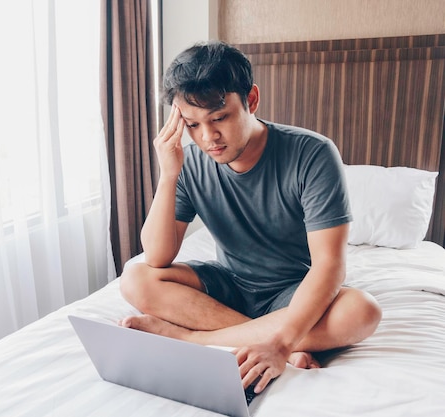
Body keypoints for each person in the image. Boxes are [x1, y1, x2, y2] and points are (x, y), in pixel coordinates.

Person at [118, 41, 382, 395]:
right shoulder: (190, 161)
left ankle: (191, 338)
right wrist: (168, 174)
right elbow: (157, 256)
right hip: (228, 286)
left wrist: (282, 344)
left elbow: (329, 266)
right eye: (193, 125)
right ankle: (257, 332)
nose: (208, 137)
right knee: (135, 277)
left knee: (362, 311)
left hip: (291, 292)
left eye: (219, 118)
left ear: (251, 100)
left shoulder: (312, 153)